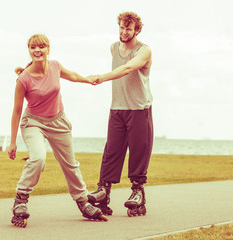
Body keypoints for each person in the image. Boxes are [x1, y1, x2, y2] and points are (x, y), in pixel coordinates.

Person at [8, 33, 106, 227]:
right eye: (33, 48)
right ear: (29, 51)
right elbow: (17, 111)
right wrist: (12, 142)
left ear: (48, 49)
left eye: (41, 46)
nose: (37, 50)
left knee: (70, 164)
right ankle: (20, 201)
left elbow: (73, 76)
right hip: (33, 122)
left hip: (58, 122)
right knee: (38, 158)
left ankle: (83, 202)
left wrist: (89, 80)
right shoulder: (23, 79)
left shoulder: (55, 66)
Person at [87, 12, 153, 217]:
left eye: (128, 29)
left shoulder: (144, 51)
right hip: (117, 108)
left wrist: (101, 77)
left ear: (137, 30)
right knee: (112, 150)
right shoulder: (113, 47)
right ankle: (103, 191)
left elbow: (127, 68)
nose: (124, 32)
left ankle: (137, 192)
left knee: (138, 150)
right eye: (121, 28)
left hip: (139, 108)